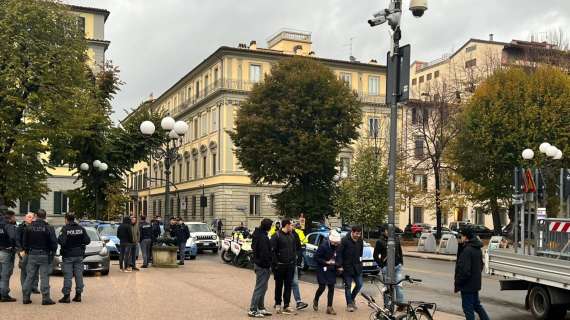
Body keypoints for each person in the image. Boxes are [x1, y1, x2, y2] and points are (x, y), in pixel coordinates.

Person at [22, 209, 58, 305]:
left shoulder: (29, 227)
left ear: (36, 216)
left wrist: (27, 251)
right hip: (44, 254)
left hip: (32, 253)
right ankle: (45, 298)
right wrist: (52, 253)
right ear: (45, 217)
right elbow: (54, 243)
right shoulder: (49, 228)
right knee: (44, 276)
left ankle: (25, 297)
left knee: (29, 276)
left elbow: (24, 242)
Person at [454, 228, 490, 320]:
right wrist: (460, 246)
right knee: (476, 305)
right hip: (475, 283)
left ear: (466, 237)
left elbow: (464, 270)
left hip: (467, 285)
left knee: (468, 309)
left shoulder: (467, 250)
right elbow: (481, 265)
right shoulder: (476, 248)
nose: (459, 238)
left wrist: (458, 282)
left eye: (461, 236)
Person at [57, 213, 91, 303]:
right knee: (79, 275)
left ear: (66, 219)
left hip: (68, 255)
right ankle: (78, 295)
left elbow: (62, 242)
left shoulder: (65, 229)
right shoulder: (81, 228)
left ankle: (66, 296)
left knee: (68, 276)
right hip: (79, 255)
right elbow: (87, 241)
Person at [373, 224, 405, 309]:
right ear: (384, 231)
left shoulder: (396, 239)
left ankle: (400, 304)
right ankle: (387, 306)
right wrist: (382, 265)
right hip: (386, 268)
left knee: (399, 285)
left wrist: (401, 262)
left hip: (397, 266)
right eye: (388, 230)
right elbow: (375, 256)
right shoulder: (380, 241)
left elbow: (400, 251)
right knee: (387, 288)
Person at [270, 219, 297, 315]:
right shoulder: (276, 236)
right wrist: (276, 264)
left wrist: (294, 261)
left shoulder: (291, 235)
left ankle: (286, 305)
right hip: (280, 265)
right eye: (291, 225)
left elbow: (294, 250)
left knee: (288, 286)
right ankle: (278, 304)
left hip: (290, 265)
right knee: (279, 286)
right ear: (287, 225)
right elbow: (272, 252)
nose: (292, 227)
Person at [248, 218, 273, 318]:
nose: (271, 227)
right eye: (270, 225)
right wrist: (268, 264)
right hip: (263, 266)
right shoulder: (263, 237)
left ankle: (261, 307)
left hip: (260, 264)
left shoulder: (258, 234)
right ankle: (253, 309)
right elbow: (264, 253)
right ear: (267, 226)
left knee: (263, 287)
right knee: (260, 288)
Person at [336, 225, 364, 312]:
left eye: (359, 234)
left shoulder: (360, 240)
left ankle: (351, 299)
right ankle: (349, 304)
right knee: (348, 286)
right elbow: (339, 253)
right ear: (352, 232)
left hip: (357, 267)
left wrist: (360, 263)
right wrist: (339, 266)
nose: (358, 235)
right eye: (357, 233)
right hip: (347, 267)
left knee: (359, 284)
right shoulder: (344, 240)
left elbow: (360, 253)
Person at [313, 229, 341, 315]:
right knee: (322, 287)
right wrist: (326, 262)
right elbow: (316, 258)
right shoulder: (323, 246)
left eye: (337, 243)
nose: (336, 245)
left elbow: (339, 257)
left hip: (331, 269)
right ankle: (316, 299)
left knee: (331, 287)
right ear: (330, 240)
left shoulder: (338, 246)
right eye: (334, 243)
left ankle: (329, 307)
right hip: (322, 269)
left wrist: (339, 266)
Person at [16, 213, 39, 294]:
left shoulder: (36, 227)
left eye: (32, 217)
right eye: (29, 217)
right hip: (24, 252)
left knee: (35, 270)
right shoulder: (21, 227)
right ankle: (24, 288)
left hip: (33, 251)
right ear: (25, 218)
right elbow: (17, 239)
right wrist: (20, 250)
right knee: (24, 270)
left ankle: (34, 287)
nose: (31, 218)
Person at [0, 210, 17, 302]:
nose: (15, 218)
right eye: (14, 217)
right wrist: (14, 247)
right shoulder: (9, 226)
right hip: (6, 251)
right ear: (10, 217)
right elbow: (13, 237)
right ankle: (4, 295)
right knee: (5, 275)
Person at [290, 222, 308, 310]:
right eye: (291, 225)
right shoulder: (278, 235)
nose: (292, 227)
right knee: (283, 284)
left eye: (293, 225)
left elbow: (299, 249)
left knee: (295, 283)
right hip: (283, 264)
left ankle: (298, 302)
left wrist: (298, 261)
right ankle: (279, 302)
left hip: (293, 263)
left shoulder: (295, 234)